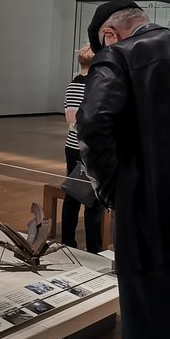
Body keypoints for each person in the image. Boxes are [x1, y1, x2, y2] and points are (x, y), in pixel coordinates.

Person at [76, 0, 170, 339]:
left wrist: (114, 191)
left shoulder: (117, 58)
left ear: (109, 34)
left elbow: (92, 124)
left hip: (150, 231)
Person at [61, 44, 105, 253]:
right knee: (94, 200)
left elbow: (69, 117)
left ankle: (67, 241)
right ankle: (94, 249)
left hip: (72, 145)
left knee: (72, 194)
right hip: (91, 147)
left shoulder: (72, 85)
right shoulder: (95, 86)